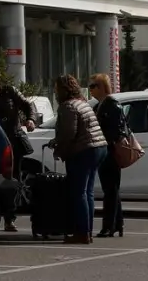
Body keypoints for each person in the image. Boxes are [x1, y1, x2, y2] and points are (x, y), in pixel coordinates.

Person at [45, 74, 107, 245]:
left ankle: (81, 233)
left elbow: (68, 134)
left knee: (78, 192)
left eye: (57, 89)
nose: (55, 92)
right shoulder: (82, 103)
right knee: (87, 192)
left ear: (63, 90)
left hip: (84, 151)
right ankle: (87, 231)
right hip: (99, 148)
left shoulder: (67, 106)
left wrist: (59, 150)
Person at [0, 70, 37, 232]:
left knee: (14, 180)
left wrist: (30, 119)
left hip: (14, 142)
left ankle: (10, 218)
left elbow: (27, 105)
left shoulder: (9, 92)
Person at [88, 73, 124, 238]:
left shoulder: (112, 105)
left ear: (102, 87)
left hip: (110, 151)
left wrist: (105, 141)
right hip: (102, 151)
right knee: (110, 189)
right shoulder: (98, 106)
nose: (90, 89)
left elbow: (117, 131)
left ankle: (109, 226)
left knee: (111, 189)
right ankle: (117, 223)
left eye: (93, 86)